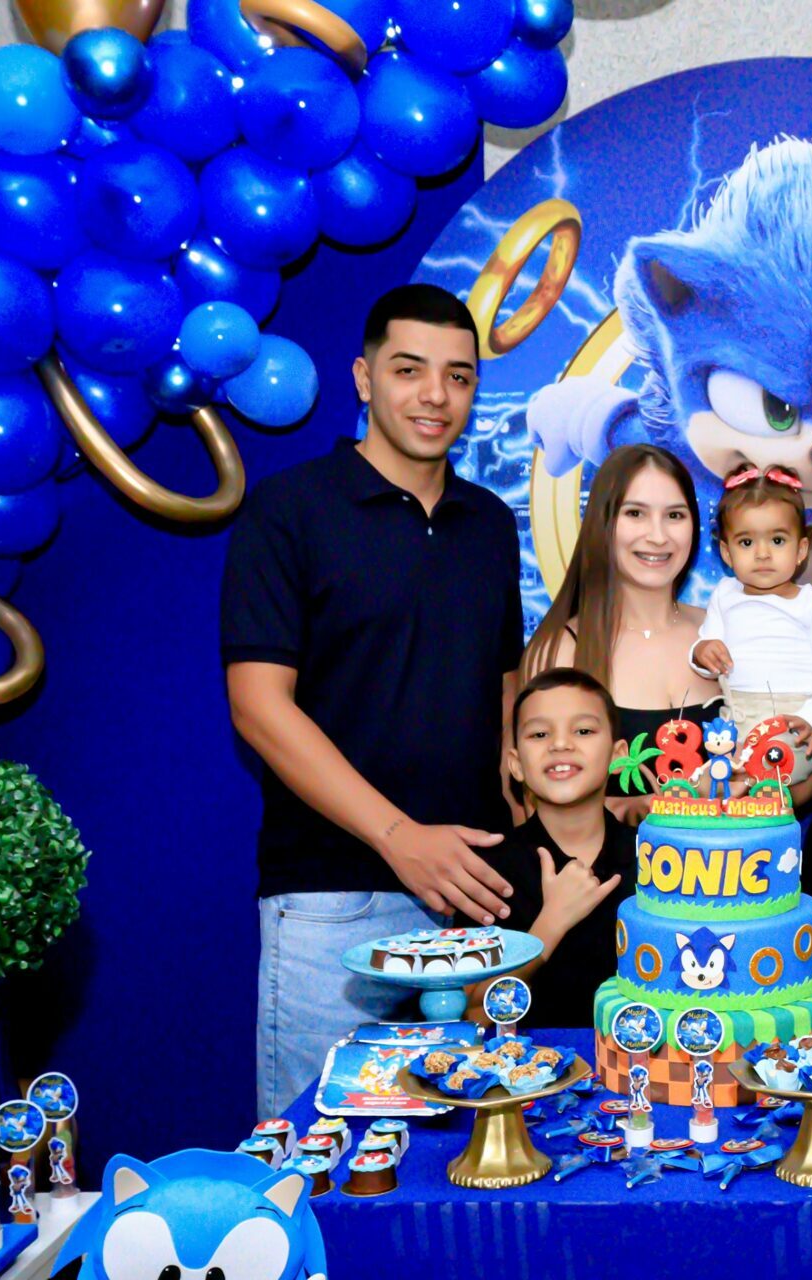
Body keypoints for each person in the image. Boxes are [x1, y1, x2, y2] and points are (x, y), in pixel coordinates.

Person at [223, 283, 524, 1118]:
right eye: (408, 369)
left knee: (464, 1158)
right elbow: (258, 707)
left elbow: (503, 689)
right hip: (332, 900)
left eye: (458, 376)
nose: (435, 395)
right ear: (363, 377)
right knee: (319, 1156)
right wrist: (398, 837)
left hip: (471, 903)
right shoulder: (290, 510)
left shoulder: (489, 523)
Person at [521, 445, 720, 823]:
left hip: (731, 860)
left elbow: (785, 774)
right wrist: (636, 808)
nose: (658, 536)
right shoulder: (562, 650)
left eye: (674, 515)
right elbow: (539, 808)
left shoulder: (721, 633)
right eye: (635, 513)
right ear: (603, 523)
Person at [460, 669, 634, 1026]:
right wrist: (551, 922)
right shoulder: (488, 871)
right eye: (540, 734)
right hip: (522, 1059)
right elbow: (474, 1014)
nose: (560, 744)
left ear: (618, 755)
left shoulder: (656, 859)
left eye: (583, 731)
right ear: (516, 765)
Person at [690, 462, 812, 782]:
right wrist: (701, 652)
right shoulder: (725, 595)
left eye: (777, 541)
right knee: (715, 772)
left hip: (793, 721)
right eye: (746, 543)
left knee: (777, 768)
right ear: (726, 553)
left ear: (801, 549)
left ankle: (752, 786)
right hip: (736, 717)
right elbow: (706, 651)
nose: (762, 554)